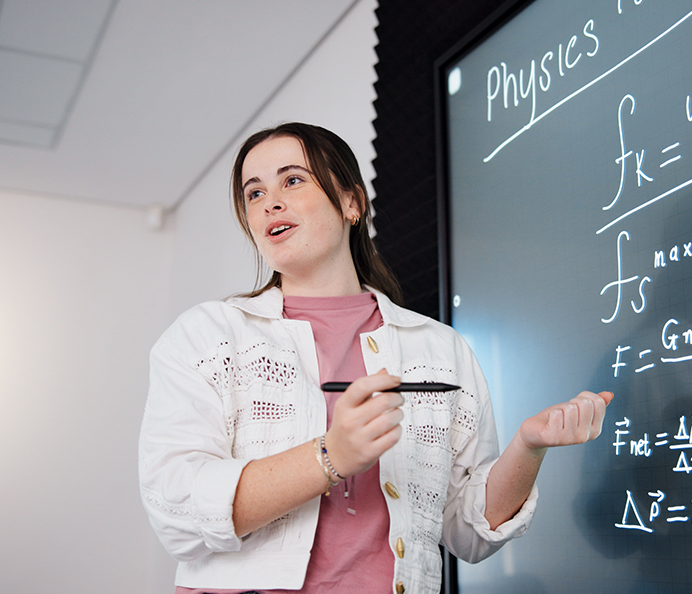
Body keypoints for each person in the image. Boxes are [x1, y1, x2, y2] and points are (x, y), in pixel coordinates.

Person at [139, 122, 613, 594]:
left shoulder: (439, 348)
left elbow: (467, 531)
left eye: (292, 180)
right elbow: (176, 508)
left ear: (352, 203)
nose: (271, 202)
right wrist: (331, 456)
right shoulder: (208, 335)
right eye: (254, 193)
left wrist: (528, 447)